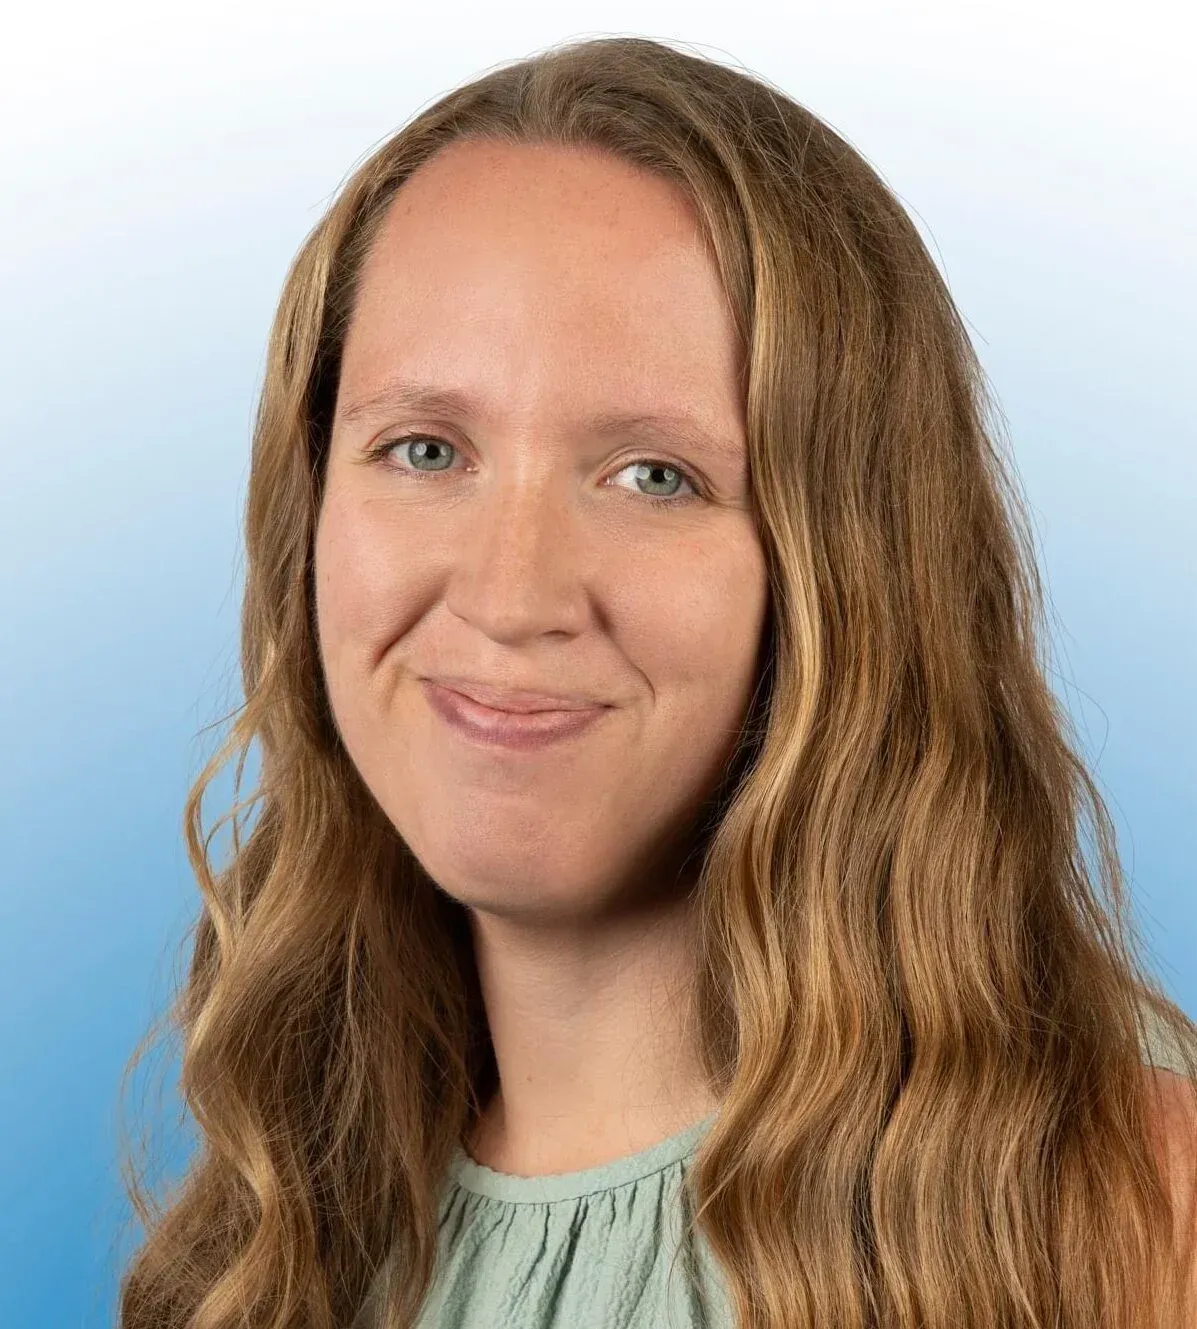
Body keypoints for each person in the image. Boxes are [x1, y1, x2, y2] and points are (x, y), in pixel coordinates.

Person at [116, 35, 1197, 1329]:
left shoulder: (1125, 1187)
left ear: (846, 575)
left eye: (654, 477)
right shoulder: (281, 1228)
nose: (511, 597)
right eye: (422, 449)